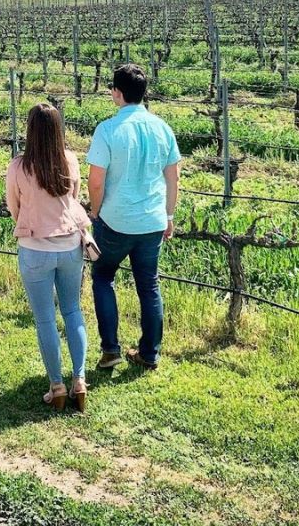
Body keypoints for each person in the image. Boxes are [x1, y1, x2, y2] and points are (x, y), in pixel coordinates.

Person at [86, 64, 181, 372]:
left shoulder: (108, 129)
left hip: (116, 219)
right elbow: (173, 177)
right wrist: (168, 215)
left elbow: (96, 180)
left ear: (117, 92)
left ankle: (110, 349)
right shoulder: (162, 127)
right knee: (149, 286)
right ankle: (149, 353)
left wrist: (95, 211)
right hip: (152, 220)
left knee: (103, 276)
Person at [5, 104, 90, 412]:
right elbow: (74, 199)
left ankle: (56, 386)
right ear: (58, 128)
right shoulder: (69, 160)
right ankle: (79, 380)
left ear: (29, 129)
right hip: (70, 246)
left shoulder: (18, 166)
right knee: (72, 311)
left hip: (35, 249)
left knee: (45, 319)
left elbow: (13, 208)